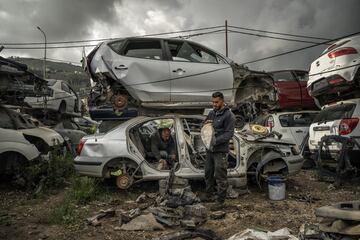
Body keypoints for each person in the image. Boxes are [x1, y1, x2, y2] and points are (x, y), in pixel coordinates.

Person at [204, 91, 236, 209]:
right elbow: (204, 127)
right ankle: (209, 195)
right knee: (208, 173)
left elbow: (228, 134)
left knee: (220, 175)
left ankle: (220, 201)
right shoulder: (212, 113)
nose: (214, 104)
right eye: (213, 102)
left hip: (220, 151)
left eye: (216, 102)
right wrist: (205, 124)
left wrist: (215, 141)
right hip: (210, 150)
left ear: (222, 101)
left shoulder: (229, 116)